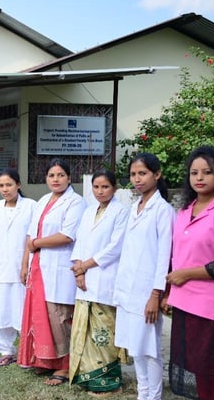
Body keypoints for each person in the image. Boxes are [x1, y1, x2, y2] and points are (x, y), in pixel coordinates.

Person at [163, 145, 214, 400]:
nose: (199, 177)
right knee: (191, 362)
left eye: (207, 172)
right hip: (183, 300)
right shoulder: (184, 212)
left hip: (209, 303)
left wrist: (186, 274)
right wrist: (168, 292)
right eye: (194, 172)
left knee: (211, 367)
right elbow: (176, 256)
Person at [17, 158, 86, 386]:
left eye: (60, 175)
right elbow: (30, 235)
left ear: (69, 178)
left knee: (59, 318)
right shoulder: (43, 200)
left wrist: (36, 244)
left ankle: (65, 366)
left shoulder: (76, 202)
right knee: (41, 316)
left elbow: (67, 235)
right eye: (51, 175)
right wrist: (25, 264)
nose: (56, 179)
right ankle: (46, 361)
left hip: (60, 266)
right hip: (38, 267)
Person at [113, 153, 174, 400]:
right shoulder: (134, 208)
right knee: (135, 346)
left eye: (143, 173)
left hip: (147, 291)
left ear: (157, 175)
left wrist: (156, 294)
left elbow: (164, 256)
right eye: (133, 174)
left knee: (149, 349)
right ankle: (143, 393)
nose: (137, 179)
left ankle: (154, 396)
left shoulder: (163, 210)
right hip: (128, 287)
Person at [68, 169, 128, 395]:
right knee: (84, 333)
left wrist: (85, 265)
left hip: (105, 279)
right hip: (84, 280)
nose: (100, 191)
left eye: (105, 187)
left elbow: (115, 247)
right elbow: (79, 242)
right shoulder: (88, 211)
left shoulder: (121, 212)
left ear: (115, 188)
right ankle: (87, 378)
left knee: (103, 334)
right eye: (96, 187)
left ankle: (109, 383)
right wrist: (79, 271)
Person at [0, 168, 36, 367]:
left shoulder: (31, 206)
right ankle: (6, 351)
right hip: (0, 269)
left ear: (18, 185)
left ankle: (27, 351)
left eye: (9, 185)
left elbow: (33, 237)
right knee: (1, 311)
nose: (5, 189)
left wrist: (26, 265)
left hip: (23, 269)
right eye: (1, 186)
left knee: (23, 310)